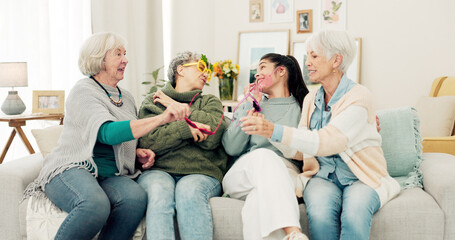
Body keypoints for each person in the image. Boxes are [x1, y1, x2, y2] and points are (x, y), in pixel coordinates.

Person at [23, 32, 190, 240]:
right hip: (71, 167)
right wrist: (162, 118)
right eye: (118, 54)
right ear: (99, 59)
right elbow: (107, 133)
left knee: (135, 198)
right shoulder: (83, 91)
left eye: (125, 54)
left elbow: (123, 136)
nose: (125, 60)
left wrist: (135, 152)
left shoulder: (126, 98)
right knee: (95, 204)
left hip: (109, 174)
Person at [241, 30, 401, 240]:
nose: (307, 62)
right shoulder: (311, 99)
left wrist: (274, 130)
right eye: (308, 56)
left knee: (354, 214)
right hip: (321, 176)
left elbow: (329, 141)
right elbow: (300, 150)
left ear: (336, 60)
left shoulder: (359, 96)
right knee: (320, 215)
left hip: (360, 177)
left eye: (314, 56)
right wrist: (269, 132)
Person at [137, 51, 229, 240]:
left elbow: (212, 138)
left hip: (201, 172)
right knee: (159, 191)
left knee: (189, 191)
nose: (206, 74)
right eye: (201, 67)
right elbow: (148, 142)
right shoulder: (153, 101)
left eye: (209, 71)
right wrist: (185, 129)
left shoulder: (210, 101)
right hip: (159, 170)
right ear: (180, 70)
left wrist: (175, 107)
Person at [222, 53, 309, 240]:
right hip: (243, 175)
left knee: (259, 199)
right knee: (263, 155)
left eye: (262, 67)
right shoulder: (253, 105)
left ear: (281, 71)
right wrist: (247, 105)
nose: (257, 74)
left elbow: (309, 150)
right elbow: (231, 148)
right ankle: (293, 231)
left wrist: (270, 132)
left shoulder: (303, 108)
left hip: (284, 175)